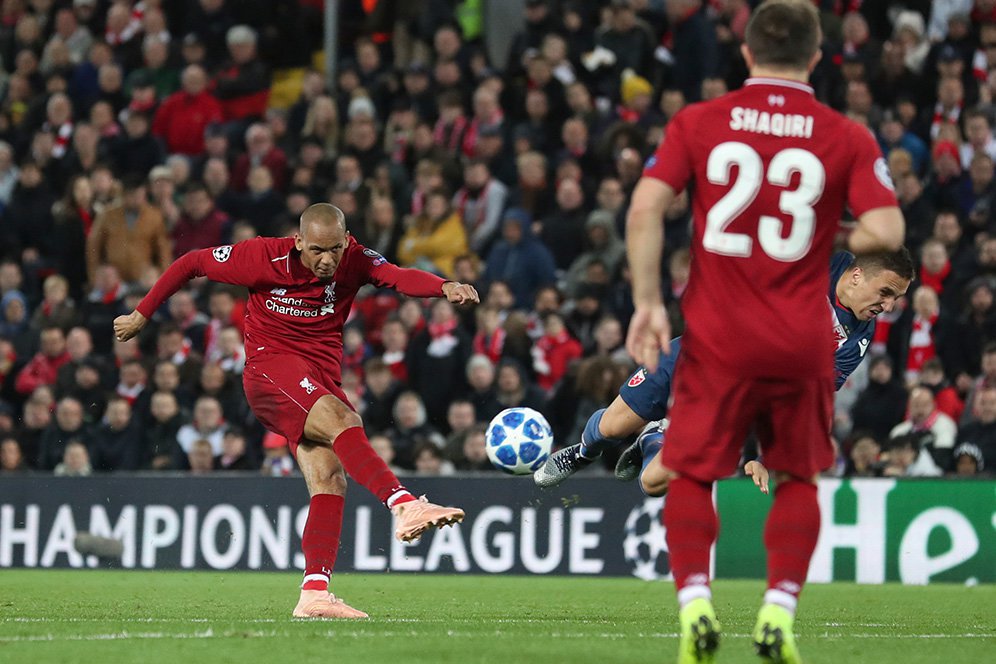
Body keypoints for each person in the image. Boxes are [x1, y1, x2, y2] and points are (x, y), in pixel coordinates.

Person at [621, 2, 905, 662]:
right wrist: (828, 229)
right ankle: (778, 614)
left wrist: (645, 301)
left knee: (690, 474)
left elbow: (645, 206)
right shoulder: (847, 136)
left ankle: (695, 604)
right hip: (802, 339)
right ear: (815, 59)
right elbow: (888, 234)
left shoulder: (699, 122)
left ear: (746, 56)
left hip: (719, 337)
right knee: (797, 480)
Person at [113, 203, 478, 619]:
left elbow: (396, 276)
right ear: (300, 241)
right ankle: (403, 503)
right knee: (344, 420)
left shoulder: (354, 258)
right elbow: (192, 262)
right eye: (318, 250)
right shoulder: (261, 256)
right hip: (271, 369)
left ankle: (314, 594)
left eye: (335, 250)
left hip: (319, 375)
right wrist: (142, 313)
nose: (327, 260)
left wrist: (443, 285)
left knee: (329, 478)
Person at [534, 250, 914, 489]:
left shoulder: (856, 341)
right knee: (610, 428)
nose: (890, 305)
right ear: (857, 275)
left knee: (653, 483)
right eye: (887, 292)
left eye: (897, 298)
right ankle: (583, 453)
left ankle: (654, 439)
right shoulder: (816, 261)